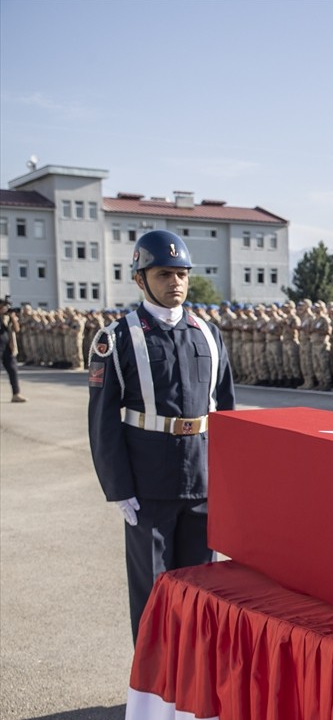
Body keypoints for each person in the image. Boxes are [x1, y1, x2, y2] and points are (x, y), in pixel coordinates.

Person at [87, 230, 236, 644]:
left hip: (200, 480)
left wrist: (227, 481)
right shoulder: (116, 338)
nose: (176, 283)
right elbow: (102, 420)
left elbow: (226, 411)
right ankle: (152, 691)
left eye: (182, 274)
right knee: (154, 592)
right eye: (164, 274)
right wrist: (118, 489)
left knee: (202, 589)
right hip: (147, 485)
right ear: (140, 279)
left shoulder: (208, 333)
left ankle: (195, 687)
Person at [0, 298, 25, 403]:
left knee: (13, 370)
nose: (6, 308)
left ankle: (16, 394)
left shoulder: (7, 317)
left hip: (7, 347)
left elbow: (17, 329)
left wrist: (13, 319)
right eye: (4, 306)